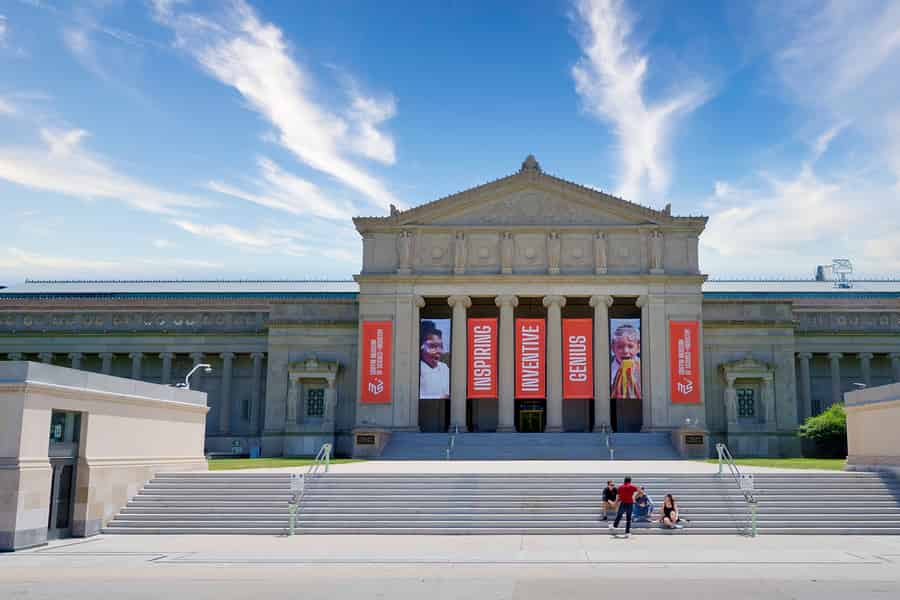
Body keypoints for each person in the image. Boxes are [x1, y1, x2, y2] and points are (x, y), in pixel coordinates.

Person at [419, 321, 450, 399]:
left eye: (440, 346)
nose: (439, 351)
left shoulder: (444, 367)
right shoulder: (417, 369)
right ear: (421, 347)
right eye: (432, 346)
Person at [610, 323, 641, 400]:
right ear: (613, 348)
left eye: (630, 346)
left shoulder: (644, 368)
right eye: (620, 347)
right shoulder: (607, 369)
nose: (625, 351)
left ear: (638, 348)